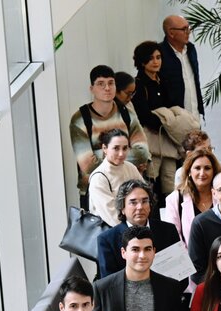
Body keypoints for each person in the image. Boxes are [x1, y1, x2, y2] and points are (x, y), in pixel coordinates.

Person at [69, 65, 150, 199]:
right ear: (92, 89)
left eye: (111, 83)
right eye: (101, 84)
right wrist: (126, 155)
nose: (107, 88)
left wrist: (99, 153)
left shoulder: (127, 114)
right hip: (94, 191)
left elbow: (142, 153)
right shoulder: (80, 119)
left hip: (128, 190)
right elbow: (88, 165)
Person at [97, 180, 180, 279]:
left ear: (150, 205)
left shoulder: (168, 230)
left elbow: (181, 272)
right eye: (133, 203)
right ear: (122, 208)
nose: (140, 207)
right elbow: (109, 282)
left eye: (145, 201)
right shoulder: (107, 240)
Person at [131, 41, 179, 196]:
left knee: (171, 183)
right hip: (152, 141)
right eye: (151, 58)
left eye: (158, 57)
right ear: (142, 61)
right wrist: (167, 121)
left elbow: (174, 105)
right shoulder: (138, 85)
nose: (156, 61)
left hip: (168, 140)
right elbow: (143, 115)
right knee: (152, 183)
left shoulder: (163, 80)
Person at [163, 149, 221, 250]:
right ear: (189, 171)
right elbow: (173, 238)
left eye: (207, 168)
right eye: (197, 168)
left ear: (214, 171)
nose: (202, 173)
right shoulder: (174, 199)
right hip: (189, 261)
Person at [88, 129, 145, 227]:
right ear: (105, 148)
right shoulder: (98, 178)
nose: (121, 154)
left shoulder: (130, 168)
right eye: (116, 148)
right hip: (111, 232)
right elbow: (111, 216)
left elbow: (145, 196)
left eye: (125, 148)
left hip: (135, 227)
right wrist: (134, 232)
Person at [159, 15, 203, 119]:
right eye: (184, 29)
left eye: (188, 28)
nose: (188, 32)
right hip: (176, 120)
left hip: (195, 116)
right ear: (171, 33)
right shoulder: (160, 54)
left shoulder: (191, 50)